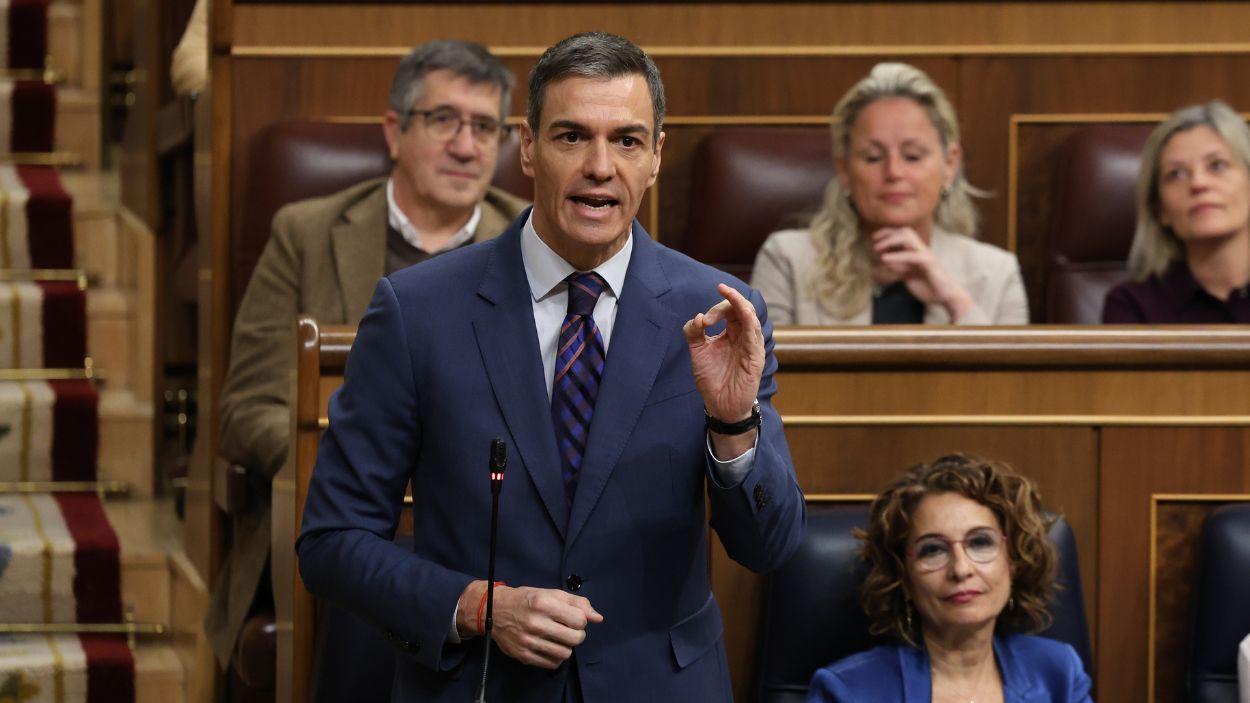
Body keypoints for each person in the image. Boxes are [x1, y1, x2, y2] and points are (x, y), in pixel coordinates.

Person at [296, 31, 805, 702]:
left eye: (626, 141)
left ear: (656, 157)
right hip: (480, 682)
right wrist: (479, 605)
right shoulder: (417, 311)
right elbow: (332, 542)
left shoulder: (718, 312)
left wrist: (734, 424)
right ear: (529, 148)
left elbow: (768, 546)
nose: (600, 166)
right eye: (571, 137)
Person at [206, 40, 528, 670]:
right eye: (444, 121)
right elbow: (246, 409)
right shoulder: (307, 232)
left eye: (485, 127)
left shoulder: (532, 242)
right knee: (374, 575)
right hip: (350, 510)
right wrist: (360, 459)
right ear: (394, 130)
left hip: (492, 518)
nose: (466, 146)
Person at [750, 63, 1027, 325]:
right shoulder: (787, 260)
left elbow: (1014, 377)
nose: (894, 172)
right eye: (872, 157)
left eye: (913, 156)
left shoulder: (998, 274)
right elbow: (761, 371)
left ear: (950, 164)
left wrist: (954, 300)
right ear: (844, 169)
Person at [808, 454, 1091, 702]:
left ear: (1013, 560)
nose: (960, 569)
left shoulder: (1059, 674)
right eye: (933, 550)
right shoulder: (848, 691)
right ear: (903, 577)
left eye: (980, 542)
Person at [1103, 100, 1250, 323]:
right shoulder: (1132, 306)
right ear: (1160, 209)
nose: (1198, 183)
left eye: (1217, 165)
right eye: (1176, 174)